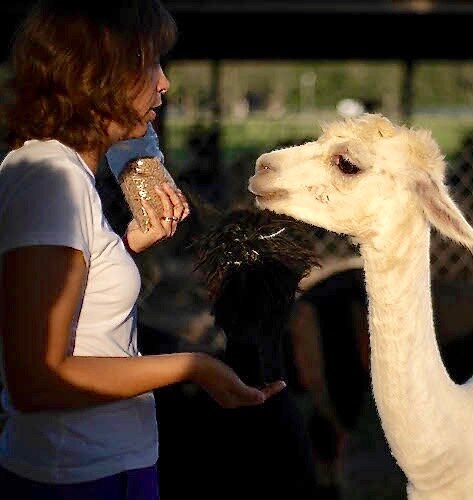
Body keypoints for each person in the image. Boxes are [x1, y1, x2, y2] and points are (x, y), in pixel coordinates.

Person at [0, 1, 286, 499]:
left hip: (105, 466)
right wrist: (193, 366)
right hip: (75, 478)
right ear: (97, 74)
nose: (165, 82)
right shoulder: (48, 180)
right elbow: (35, 380)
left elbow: (76, 310)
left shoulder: (66, 175)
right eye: (149, 62)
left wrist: (123, 245)